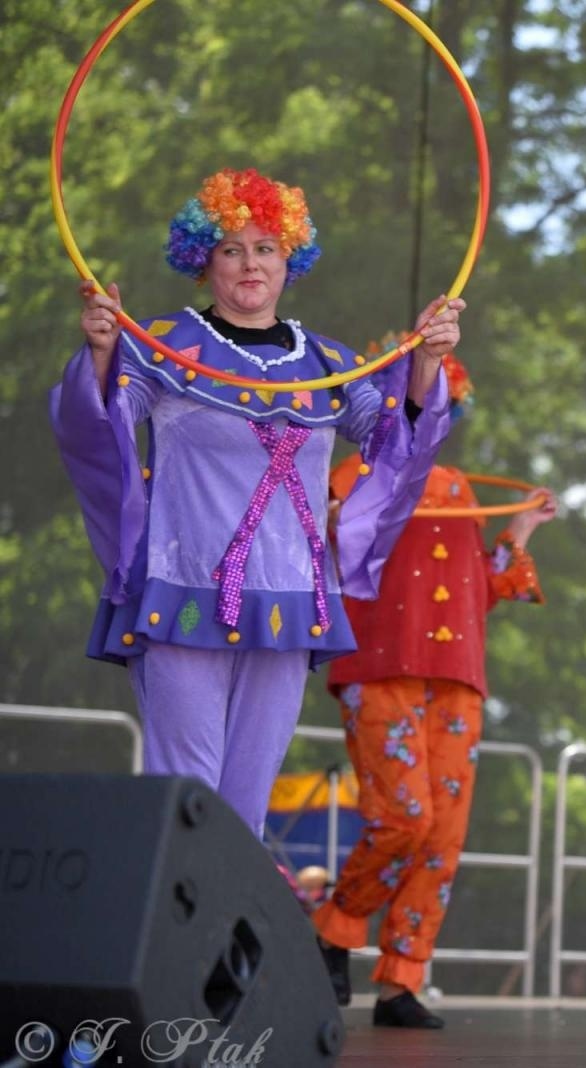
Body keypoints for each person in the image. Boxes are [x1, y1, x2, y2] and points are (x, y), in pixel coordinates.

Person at [51, 167, 461, 837]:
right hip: (182, 596)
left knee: (244, 806)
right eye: (231, 248)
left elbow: (391, 438)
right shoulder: (161, 346)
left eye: (266, 247)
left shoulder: (331, 363)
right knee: (184, 791)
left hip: (290, 603)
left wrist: (422, 367)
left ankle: (214, 939)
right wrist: (101, 355)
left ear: (289, 258)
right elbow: (100, 426)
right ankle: (166, 937)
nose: (250, 263)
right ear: (203, 260)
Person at [312, 351, 557, 1028]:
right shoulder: (356, 472)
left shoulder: (460, 489)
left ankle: (402, 980)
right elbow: (323, 540)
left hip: (457, 675)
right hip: (379, 664)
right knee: (403, 817)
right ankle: (334, 929)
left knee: (442, 836)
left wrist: (522, 527)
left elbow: (487, 587)